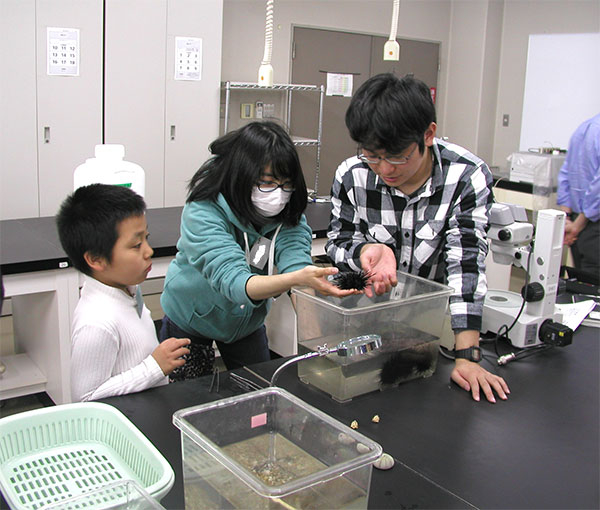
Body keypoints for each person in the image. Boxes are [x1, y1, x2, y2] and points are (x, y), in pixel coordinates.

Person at [326, 73, 510, 403]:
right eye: (372, 154)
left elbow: (465, 262)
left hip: (431, 327)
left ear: (428, 134)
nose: (384, 168)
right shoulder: (352, 174)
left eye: (397, 155)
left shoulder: (465, 176)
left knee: (423, 406)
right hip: (365, 320)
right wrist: (367, 249)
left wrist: (467, 356)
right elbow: (338, 242)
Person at [159, 121, 356, 372]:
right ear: (241, 175)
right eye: (267, 183)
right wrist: (295, 278)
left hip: (245, 323)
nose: (278, 194)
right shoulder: (204, 209)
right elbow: (234, 281)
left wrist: (319, 346)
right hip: (191, 316)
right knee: (189, 396)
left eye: (286, 184)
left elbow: (297, 265)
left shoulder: (287, 209)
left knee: (259, 390)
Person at [56, 184, 191, 402]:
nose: (149, 251)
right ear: (96, 259)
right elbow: (85, 398)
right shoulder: (96, 323)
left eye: (146, 238)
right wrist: (154, 367)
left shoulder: (126, 288)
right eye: (136, 245)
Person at [557, 113, 600, 283]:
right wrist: (578, 224)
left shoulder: (584, 128)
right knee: (594, 287)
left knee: (581, 282)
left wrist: (568, 218)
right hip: (592, 224)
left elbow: (566, 172)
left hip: (577, 221)